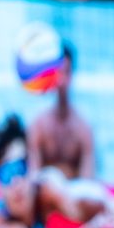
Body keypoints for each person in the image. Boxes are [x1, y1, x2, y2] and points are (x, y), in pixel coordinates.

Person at [29, 39, 97, 179]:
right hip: (44, 192)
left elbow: (88, 182)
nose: (62, 81)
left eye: (66, 72)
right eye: (58, 73)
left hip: (75, 192)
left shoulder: (83, 129)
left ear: (72, 75)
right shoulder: (39, 126)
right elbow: (33, 179)